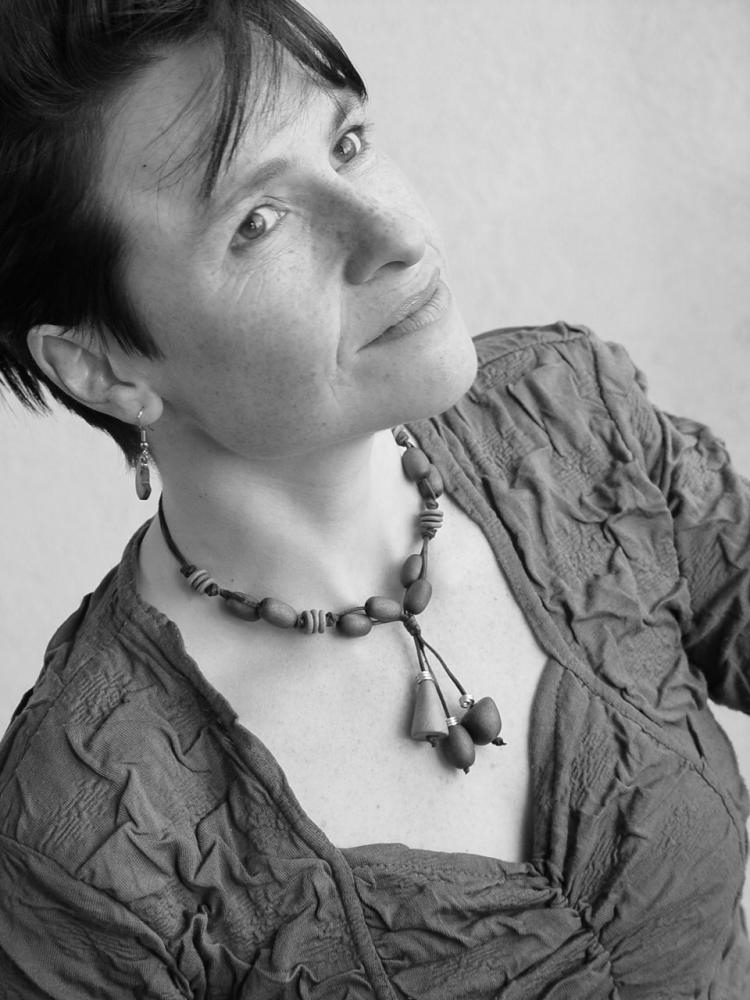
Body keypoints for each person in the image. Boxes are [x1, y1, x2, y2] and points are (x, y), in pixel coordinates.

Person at [0, 0, 748, 996]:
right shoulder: (86, 835)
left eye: (347, 142)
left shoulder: (572, 425)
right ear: (101, 367)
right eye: (258, 221)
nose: (395, 234)